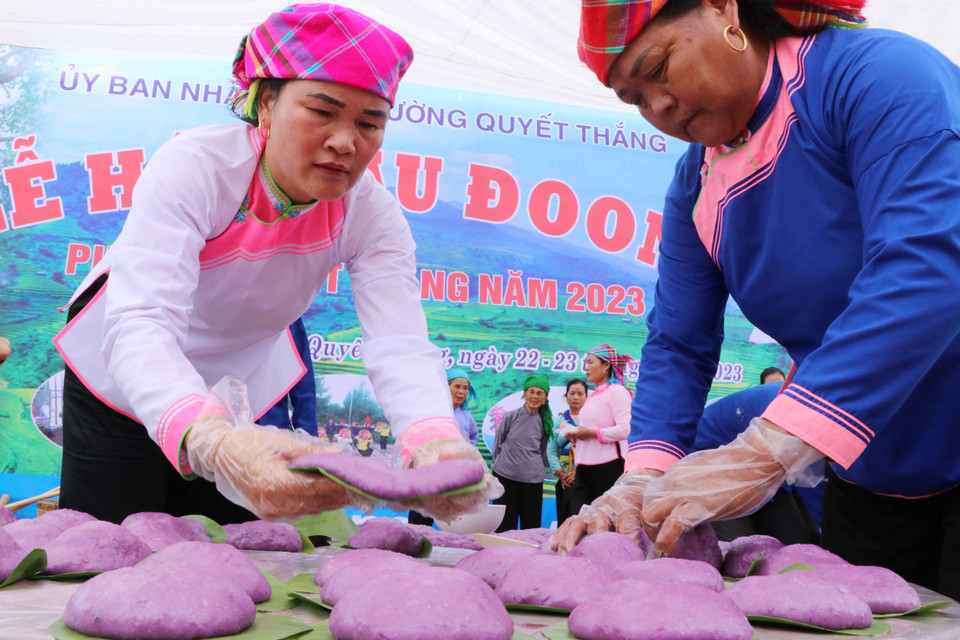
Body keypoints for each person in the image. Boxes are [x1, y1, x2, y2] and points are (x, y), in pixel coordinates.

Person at [556, 0, 960, 601]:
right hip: (868, 466)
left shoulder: (872, 74)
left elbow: (929, 259)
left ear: (725, 9)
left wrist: (770, 449)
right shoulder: (695, 184)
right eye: (634, 99)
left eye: (660, 68)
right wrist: (643, 474)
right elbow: (679, 341)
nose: (657, 107)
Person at [53, 4, 496, 525]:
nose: (344, 142)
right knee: (112, 542)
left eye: (370, 123)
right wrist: (208, 438)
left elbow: (398, 341)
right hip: (123, 379)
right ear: (266, 104)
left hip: (240, 384)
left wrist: (434, 438)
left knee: (225, 558)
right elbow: (142, 320)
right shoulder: (196, 167)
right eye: (321, 111)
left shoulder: (372, 214)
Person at [695, 383, 821, 544]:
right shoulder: (800, 410)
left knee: (797, 544)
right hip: (711, 473)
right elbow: (822, 501)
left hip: (766, 476)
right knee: (739, 552)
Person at [565, 345, 633, 517]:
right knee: (579, 519)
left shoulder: (617, 392)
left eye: (590, 362)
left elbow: (626, 429)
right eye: (585, 363)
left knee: (604, 520)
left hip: (608, 468)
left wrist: (591, 433)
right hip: (584, 468)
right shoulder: (593, 397)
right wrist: (575, 436)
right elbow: (588, 431)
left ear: (606, 366)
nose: (586, 367)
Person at [492, 375, 552, 531]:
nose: (534, 396)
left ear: (545, 397)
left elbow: (544, 450)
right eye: (531, 391)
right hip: (505, 477)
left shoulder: (546, 422)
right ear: (524, 394)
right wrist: (495, 470)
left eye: (540, 393)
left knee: (530, 528)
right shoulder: (510, 416)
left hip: (532, 482)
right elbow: (498, 444)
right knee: (503, 526)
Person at [258, 318, 319, 436]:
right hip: (221, 429)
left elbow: (303, 382)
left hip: (274, 429)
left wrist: (308, 435)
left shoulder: (287, 312)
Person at [549, 379, 588, 526]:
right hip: (565, 479)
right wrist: (561, 474)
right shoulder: (559, 420)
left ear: (586, 397)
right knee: (564, 521)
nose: (576, 397)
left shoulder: (590, 419)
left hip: (586, 476)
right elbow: (551, 450)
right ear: (566, 396)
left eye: (580, 394)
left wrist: (578, 472)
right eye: (572, 393)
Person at [447, 369, 479, 446]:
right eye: (457, 386)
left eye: (465, 388)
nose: (461, 391)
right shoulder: (434, 413)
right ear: (446, 387)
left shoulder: (468, 417)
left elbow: (474, 437)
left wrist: (466, 449)